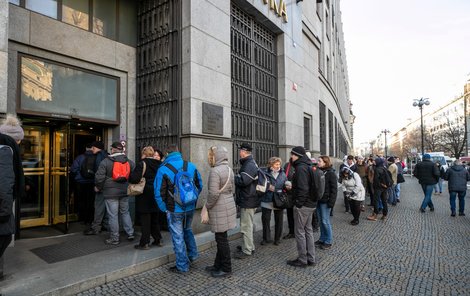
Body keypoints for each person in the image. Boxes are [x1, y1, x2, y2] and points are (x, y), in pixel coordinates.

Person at [154, 144, 203, 274]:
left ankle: (182, 265)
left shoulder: (163, 169)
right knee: (187, 230)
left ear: (166, 154)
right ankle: (193, 255)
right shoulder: (190, 165)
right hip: (190, 207)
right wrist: (192, 200)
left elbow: (159, 192)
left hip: (174, 209)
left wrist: (164, 208)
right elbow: (200, 184)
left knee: (177, 236)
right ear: (178, 152)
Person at [204, 146, 236, 278]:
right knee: (222, 237)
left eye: (211, 155)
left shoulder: (215, 171)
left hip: (219, 207)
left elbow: (213, 194)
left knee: (221, 239)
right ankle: (218, 265)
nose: (210, 157)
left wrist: (207, 206)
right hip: (228, 204)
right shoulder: (229, 169)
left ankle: (226, 268)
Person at [95, 142, 135, 245]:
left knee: (113, 215)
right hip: (124, 191)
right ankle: (130, 233)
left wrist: (98, 187)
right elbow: (133, 175)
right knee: (125, 212)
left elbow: (99, 177)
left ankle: (114, 238)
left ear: (112, 149)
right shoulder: (129, 162)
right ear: (122, 150)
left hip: (110, 192)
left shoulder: (106, 162)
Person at [287, 146, 317, 268]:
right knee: (308, 231)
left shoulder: (301, 168)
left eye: (292, 155)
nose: (291, 157)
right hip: (311, 204)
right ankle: (311, 258)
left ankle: (303, 259)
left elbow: (303, 188)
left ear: (297, 156)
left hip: (304, 205)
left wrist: (298, 203)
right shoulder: (308, 165)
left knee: (299, 232)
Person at [129, 146, 162, 250]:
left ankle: (144, 243)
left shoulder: (142, 163)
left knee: (145, 220)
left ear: (144, 153)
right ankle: (158, 240)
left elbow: (134, 179)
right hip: (156, 193)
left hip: (145, 194)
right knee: (154, 219)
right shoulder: (159, 164)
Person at [234, 143, 259, 259]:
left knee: (246, 226)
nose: (239, 152)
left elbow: (244, 181)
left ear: (244, 152)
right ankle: (249, 246)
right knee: (247, 224)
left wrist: (233, 177)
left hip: (248, 199)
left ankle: (247, 250)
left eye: (240, 150)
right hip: (249, 198)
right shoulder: (250, 163)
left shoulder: (249, 164)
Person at [84, 141, 109, 235]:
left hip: (101, 186)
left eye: (93, 147)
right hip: (108, 186)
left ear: (98, 148)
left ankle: (96, 228)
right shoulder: (107, 155)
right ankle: (106, 225)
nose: (92, 149)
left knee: (98, 207)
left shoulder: (99, 156)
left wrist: (98, 186)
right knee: (107, 207)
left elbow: (100, 174)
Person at [261, 157, 287, 246]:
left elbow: (285, 186)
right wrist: (268, 187)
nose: (278, 166)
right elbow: (261, 183)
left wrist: (286, 187)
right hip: (266, 199)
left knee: (279, 220)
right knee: (265, 220)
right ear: (271, 164)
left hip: (278, 200)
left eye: (279, 164)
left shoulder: (283, 174)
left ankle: (278, 239)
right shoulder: (264, 173)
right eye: (276, 164)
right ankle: (266, 238)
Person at [315, 155, 337, 249]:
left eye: (319, 161)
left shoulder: (331, 173)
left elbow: (334, 189)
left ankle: (328, 241)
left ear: (325, 162)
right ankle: (322, 239)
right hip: (319, 200)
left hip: (326, 201)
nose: (317, 162)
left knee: (325, 221)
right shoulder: (319, 171)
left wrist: (331, 203)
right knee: (320, 221)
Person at [70, 143, 96, 224]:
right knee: (91, 201)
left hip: (81, 182)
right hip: (92, 182)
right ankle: (90, 219)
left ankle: (82, 218)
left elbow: (73, 169)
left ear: (86, 148)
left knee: (82, 200)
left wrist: (77, 176)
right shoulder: (97, 157)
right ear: (92, 148)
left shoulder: (80, 157)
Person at [282, 159, 295, 239]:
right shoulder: (287, 165)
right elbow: (283, 177)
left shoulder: (301, 166)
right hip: (289, 194)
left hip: (298, 195)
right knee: (290, 214)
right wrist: (285, 185)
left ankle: (299, 232)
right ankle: (291, 231)